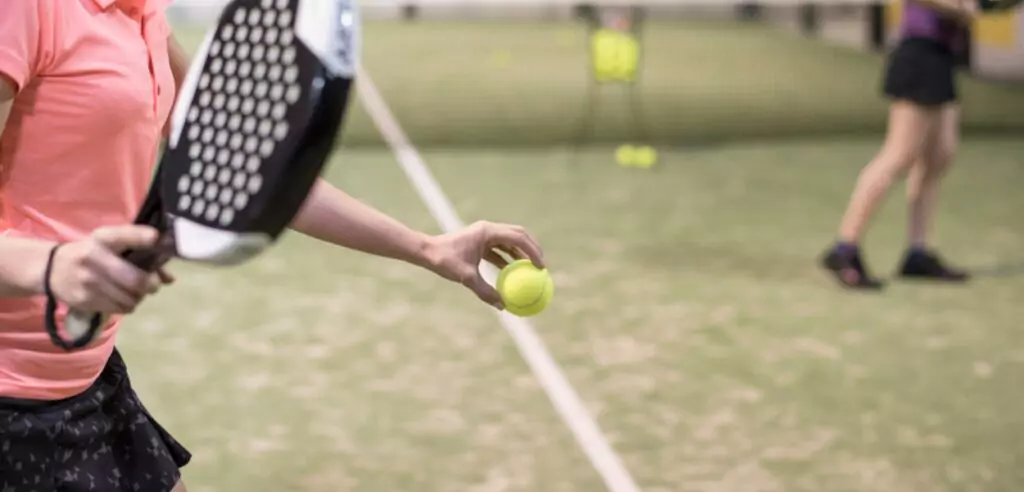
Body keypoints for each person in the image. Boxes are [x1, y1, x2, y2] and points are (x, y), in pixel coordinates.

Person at [0, 1, 544, 491]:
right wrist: (53, 265)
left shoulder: (141, 14)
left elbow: (253, 169)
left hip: (81, 372)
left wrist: (428, 248)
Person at [820, 0, 975, 289]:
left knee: (939, 156)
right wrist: (961, 9)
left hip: (942, 58)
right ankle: (844, 248)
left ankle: (917, 253)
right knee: (898, 155)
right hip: (918, 55)